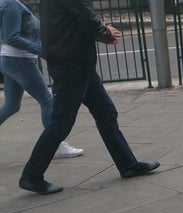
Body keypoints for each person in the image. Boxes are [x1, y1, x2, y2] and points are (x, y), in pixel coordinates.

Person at [18, 0, 160, 195]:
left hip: (75, 61)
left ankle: (128, 164)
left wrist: (102, 32)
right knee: (61, 123)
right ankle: (31, 175)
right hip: (71, 63)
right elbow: (85, 17)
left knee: (106, 113)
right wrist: (106, 32)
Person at [0, 0, 83, 158]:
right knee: (48, 100)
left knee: (11, 106)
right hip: (19, 59)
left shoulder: (14, 3)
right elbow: (11, 37)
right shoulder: (11, 4)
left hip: (12, 59)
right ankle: (55, 147)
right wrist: (40, 50)